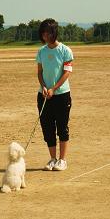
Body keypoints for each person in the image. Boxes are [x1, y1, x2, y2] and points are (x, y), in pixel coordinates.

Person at [36, 18, 74, 171]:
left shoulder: (65, 50)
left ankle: (62, 160)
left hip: (61, 95)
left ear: (54, 33)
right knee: (47, 127)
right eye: (43, 33)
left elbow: (67, 72)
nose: (45, 36)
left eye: (48, 33)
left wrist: (54, 88)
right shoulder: (41, 51)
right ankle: (52, 158)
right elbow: (39, 72)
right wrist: (44, 87)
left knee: (62, 127)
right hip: (44, 95)